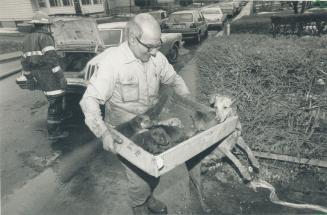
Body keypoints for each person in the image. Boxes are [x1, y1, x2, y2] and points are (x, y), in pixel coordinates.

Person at [80, 13, 202, 215]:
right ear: (131, 39)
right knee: (138, 178)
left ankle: (148, 197)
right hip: (125, 131)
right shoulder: (112, 63)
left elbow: (174, 79)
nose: (155, 52)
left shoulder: (157, 58)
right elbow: (89, 100)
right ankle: (139, 206)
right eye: (149, 47)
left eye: (158, 45)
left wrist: (189, 100)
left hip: (151, 124)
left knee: (156, 169)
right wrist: (103, 132)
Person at [20, 11, 69, 142]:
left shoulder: (26, 39)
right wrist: (60, 77)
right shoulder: (45, 38)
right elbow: (52, 60)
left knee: (53, 100)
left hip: (38, 75)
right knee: (55, 103)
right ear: (43, 25)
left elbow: (24, 61)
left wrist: (29, 78)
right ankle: (54, 133)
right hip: (49, 75)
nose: (48, 28)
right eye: (48, 25)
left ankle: (60, 123)